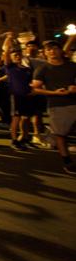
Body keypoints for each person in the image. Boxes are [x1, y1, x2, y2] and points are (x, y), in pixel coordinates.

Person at [31, 39, 76, 174]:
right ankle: (67, 161)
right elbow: (36, 89)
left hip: (74, 101)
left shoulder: (72, 66)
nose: (52, 52)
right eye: (48, 50)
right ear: (44, 53)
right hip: (57, 105)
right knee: (61, 134)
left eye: (55, 48)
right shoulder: (42, 69)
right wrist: (54, 92)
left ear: (61, 50)